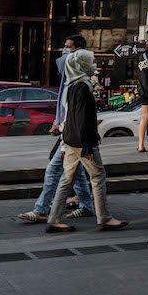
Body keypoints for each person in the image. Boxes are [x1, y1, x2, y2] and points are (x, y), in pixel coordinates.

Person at [47, 49, 128, 233]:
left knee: (66, 180)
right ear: (82, 65)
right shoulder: (83, 87)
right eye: (90, 62)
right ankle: (105, 218)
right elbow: (82, 118)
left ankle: (53, 219)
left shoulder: (72, 85)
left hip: (70, 140)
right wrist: (87, 145)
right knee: (98, 177)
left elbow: (70, 117)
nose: (94, 65)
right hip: (82, 142)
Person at [18, 35, 92, 224]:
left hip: (73, 135)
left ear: (78, 52)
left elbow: (80, 112)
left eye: (68, 47)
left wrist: (66, 129)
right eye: (64, 46)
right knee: (80, 173)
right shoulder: (70, 77)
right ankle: (87, 207)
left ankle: (43, 210)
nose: (64, 51)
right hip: (69, 133)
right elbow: (63, 104)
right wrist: (58, 122)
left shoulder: (80, 80)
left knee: (55, 171)